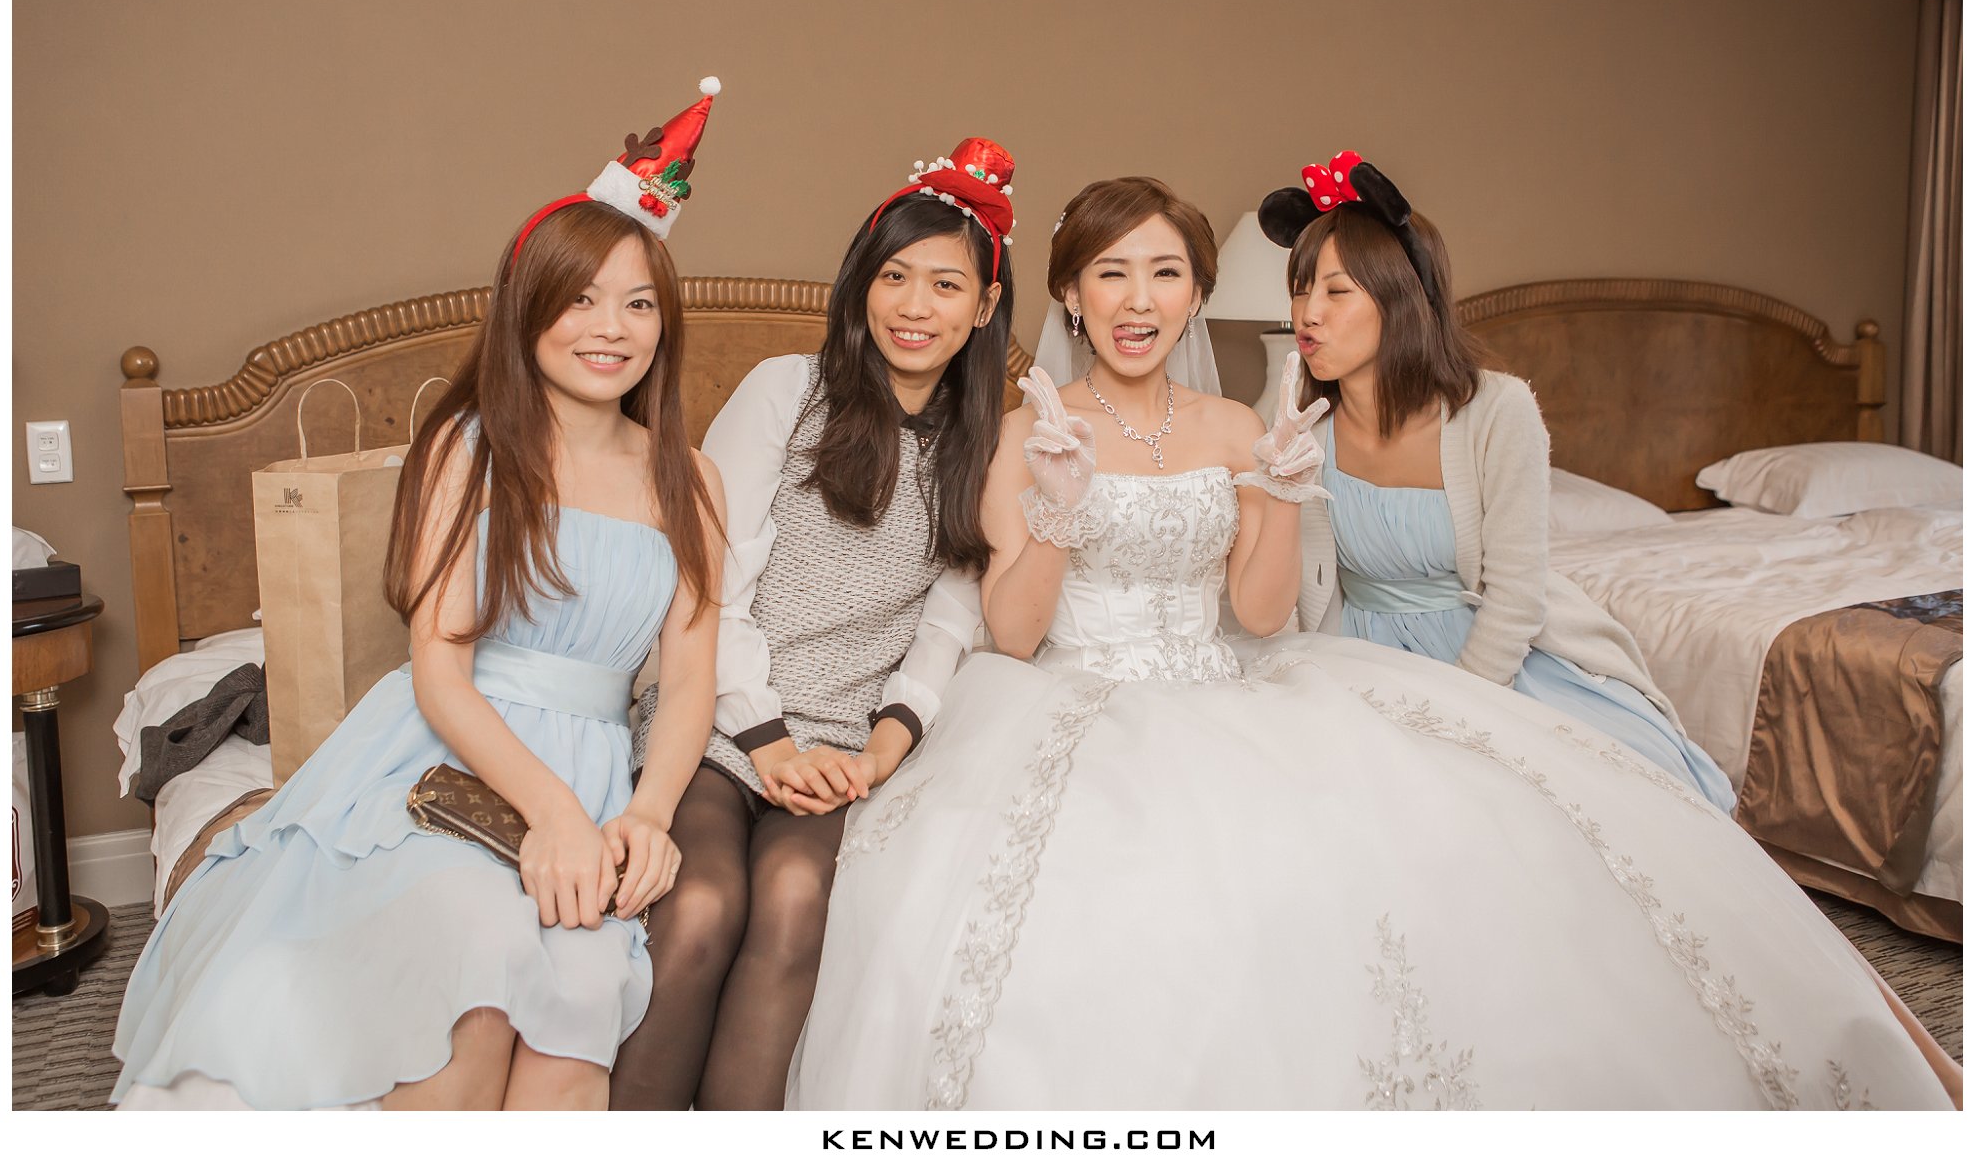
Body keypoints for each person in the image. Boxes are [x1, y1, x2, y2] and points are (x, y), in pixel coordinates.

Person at [784, 174, 1953, 1110]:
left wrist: (1277, 491)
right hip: (1072, 697)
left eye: (1164, 272)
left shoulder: (1236, 424)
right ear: (1070, 297)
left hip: (1224, 684)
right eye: (1110, 273)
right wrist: (1053, 506)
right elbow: (1011, 630)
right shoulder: (1025, 427)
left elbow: (1257, 615)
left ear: (1194, 296)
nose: (1138, 300)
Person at [109, 82, 729, 1110]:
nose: (610, 328)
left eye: (638, 303)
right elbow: (441, 672)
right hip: (455, 753)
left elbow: (691, 679)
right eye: (579, 299)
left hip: (597, 769)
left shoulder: (691, 477)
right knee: (470, 984)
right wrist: (554, 814)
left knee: (576, 1025)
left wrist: (649, 814)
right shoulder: (467, 447)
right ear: (527, 309)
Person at [609, 138, 1017, 1110]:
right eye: (894, 276)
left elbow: (948, 625)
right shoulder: (786, 391)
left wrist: (876, 752)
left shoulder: (986, 444)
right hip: (719, 721)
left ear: (985, 306)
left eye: (945, 286)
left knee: (797, 903)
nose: (914, 306)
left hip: (841, 753)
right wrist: (769, 741)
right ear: (861, 283)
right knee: (701, 903)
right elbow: (712, 583)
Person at [1259, 150, 1735, 809]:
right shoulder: (1300, 427)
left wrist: (1461, 716)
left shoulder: (1497, 411)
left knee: (1593, 806)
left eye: (1336, 292)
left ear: (1402, 299)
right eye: (1300, 288)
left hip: (1492, 662)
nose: (1307, 313)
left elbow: (1515, 597)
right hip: (1362, 658)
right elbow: (1296, 591)